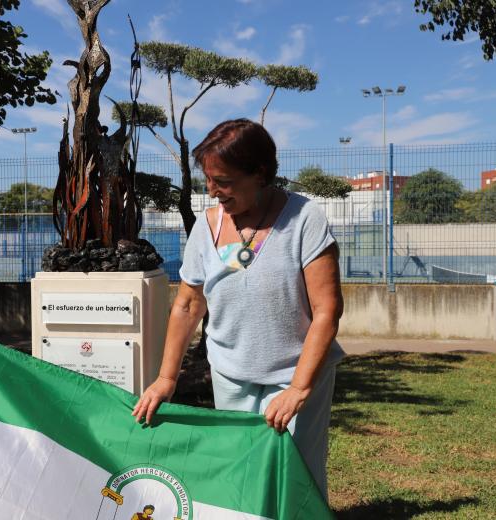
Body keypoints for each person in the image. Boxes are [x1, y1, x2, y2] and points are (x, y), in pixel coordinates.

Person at [132, 118, 344, 499]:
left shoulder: (304, 219)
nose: (213, 191)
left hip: (294, 376)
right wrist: (166, 378)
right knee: (241, 478)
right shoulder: (207, 226)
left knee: (294, 479)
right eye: (209, 180)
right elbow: (187, 304)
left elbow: (327, 310)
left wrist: (299, 388)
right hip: (231, 374)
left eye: (224, 181)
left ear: (260, 173)